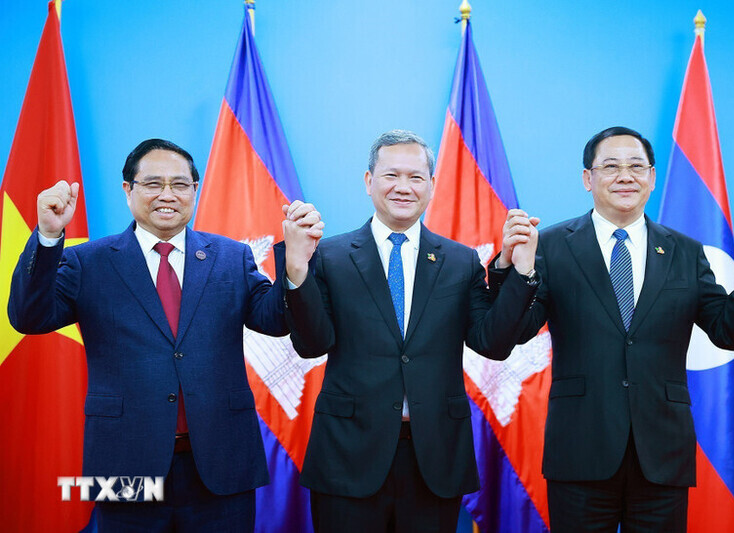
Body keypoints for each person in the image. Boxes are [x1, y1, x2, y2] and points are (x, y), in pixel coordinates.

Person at [8, 139, 322, 532]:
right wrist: (49, 237)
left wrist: (295, 264)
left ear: (195, 190)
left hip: (221, 462)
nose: (167, 195)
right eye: (153, 184)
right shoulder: (87, 261)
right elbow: (28, 316)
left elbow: (274, 320)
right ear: (128, 190)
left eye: (180, 184)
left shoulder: (232, 257)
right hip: (124, 464)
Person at [495, 126, 734, 532]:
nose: (625, 176)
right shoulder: (551, 245)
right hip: (580, 450)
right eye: (611, 166)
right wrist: (513, 268)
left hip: (661, 455)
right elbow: (513, 331)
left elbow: (729, 332)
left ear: (652, 178)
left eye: (637, 166)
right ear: (587, 178)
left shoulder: (685, 251)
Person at [280, 129, 540, 533]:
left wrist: (518, 271)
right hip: (348, 454)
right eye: (391, 175)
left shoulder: (460, 260)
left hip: (433, 456)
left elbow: (492, 343)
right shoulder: (329, 256)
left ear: (432, 186)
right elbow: (312, 344)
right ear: (369, 182)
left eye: (416, 177)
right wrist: (296, 272)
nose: (404, 187)